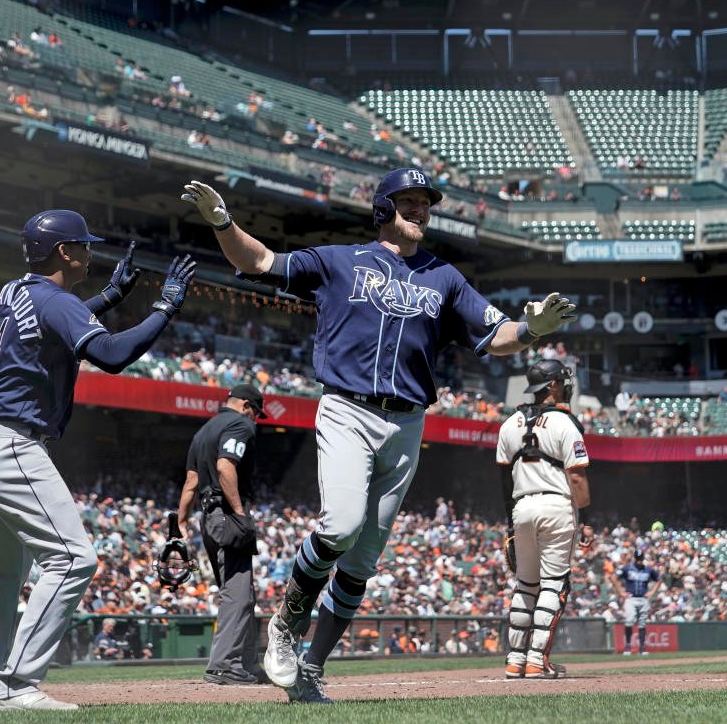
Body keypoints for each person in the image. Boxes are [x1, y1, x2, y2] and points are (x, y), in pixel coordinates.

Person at [180, 170, 577, 704]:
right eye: (407, 201)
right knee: (340, 525)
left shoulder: (445, 277)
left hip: (409, 421)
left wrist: (532, 330)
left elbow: (495, 333)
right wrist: (223, 223)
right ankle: (284, 626)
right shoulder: (340, 261)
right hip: (348, 408)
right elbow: (258, 261)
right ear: (383, 209)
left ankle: (311, 671)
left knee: (363, 561)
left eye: (424, 203)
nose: (419, 209)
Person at [0, 211, 197, 711]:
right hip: (9, 443)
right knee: (73, 558)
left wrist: (110, 298)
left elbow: (54, 323)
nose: (90, 253)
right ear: (65, 252)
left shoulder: (15, 290)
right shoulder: (54, 299)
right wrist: (165, 307)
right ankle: (16, 685)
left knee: (4, 574)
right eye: (84, 246)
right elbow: (109, 353)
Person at [496, 358, 591, 680]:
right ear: (551, 386)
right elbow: (576, 478)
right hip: (556, 507)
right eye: (562, 381)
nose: (566, 385)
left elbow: (504, 481)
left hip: (521, 507)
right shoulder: (566, 423)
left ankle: (514, 660)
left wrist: (509, 524)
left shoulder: (509, 424)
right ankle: (537, 660)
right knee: (554, 584)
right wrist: (587, 518)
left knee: (525, 584)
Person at [178, 383, 269, 686]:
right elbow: (226, 466)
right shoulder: (240, 424)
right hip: (227, 513)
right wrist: (240, 512)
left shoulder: (203, 431)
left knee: (241, 592)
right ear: (247, 406)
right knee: (238, 594)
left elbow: (191, 481)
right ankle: (224, 666)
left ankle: (247, 664)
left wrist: (181, 520)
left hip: (207, 515)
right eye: (256, 413)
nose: (255, 419)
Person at [614, 548, 662, 656]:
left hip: (643, 599)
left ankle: (642, 648)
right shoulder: (627, 568)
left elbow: (659, 579)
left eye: (641, 558)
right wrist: (620, 592)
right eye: (638, 558)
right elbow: (614, 577)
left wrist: (652, 592)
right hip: (631, 598)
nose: (639, 560)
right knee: (629, 620)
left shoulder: (648, 569)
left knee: (642, 623)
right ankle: (627, 646)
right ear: (635, 558)